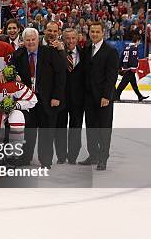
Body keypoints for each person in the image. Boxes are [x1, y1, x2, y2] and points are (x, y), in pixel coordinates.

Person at [9, 27, 66, 168]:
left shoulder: (49, 52)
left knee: (46, 131)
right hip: (27, 100)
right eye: (27, 40)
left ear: (38, 40)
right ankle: (25, 158)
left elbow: (60, 74)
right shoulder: (18, 54)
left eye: (33, 39)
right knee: (28, 131)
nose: (30, 42)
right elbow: (10, 72)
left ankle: (45, 161)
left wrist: (57, 96)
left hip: (47, 99)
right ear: (23, 41)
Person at [80, 21, 119, 170]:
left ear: (103, 33)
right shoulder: (87, 47)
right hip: (89, 97)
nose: (94, 34)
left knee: (103, 128)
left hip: (104, 98)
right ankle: (93, 155)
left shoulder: (110, 51)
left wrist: (106, 96)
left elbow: (111, 77)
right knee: (91, 127)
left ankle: (103, 158)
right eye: (92, 31)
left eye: (97, 32)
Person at [55, 28, 86, 164]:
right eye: (68, 38)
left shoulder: (84, 53)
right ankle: (61, 156)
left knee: (76, 128)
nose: (71, 41)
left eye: (73, 38)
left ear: (77, 38)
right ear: (63, 38)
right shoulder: (56, 53)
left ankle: (73, 156)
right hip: (61, 98)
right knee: (60, 128)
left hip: (78, 100)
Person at [115, 34, 148, 102]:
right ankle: (116, 95)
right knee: (123, 83)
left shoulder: (126, 47)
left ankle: (139, 96)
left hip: (125, 68)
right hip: (129, 69)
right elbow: (133, 59)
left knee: (133, 83)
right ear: (137, 41)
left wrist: (120, 66)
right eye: (139, 41)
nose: (139, 43)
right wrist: (134, 67)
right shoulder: (134, 48)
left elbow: (121, 57)